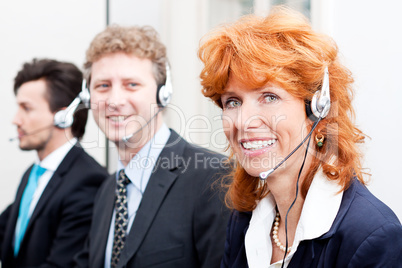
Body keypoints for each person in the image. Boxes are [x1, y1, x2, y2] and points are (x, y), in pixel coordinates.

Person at [198, 7, 402, 268]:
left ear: (318, 109)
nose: (243, 121)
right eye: (233, 102)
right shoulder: (244, 220)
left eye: (269, 97)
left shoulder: (370, 236)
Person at [74, 25, 230, 268]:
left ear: (162, 93)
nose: (114, 101)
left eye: (131, 85)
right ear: (88, 97)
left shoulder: (213, 177)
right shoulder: (107, 191)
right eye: (103, 86)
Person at [0, 59, 108, 267]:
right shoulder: (33, 174)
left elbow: (62, 264)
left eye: (26, 108)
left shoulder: (88, 180)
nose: (16, 120)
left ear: (63, 116)